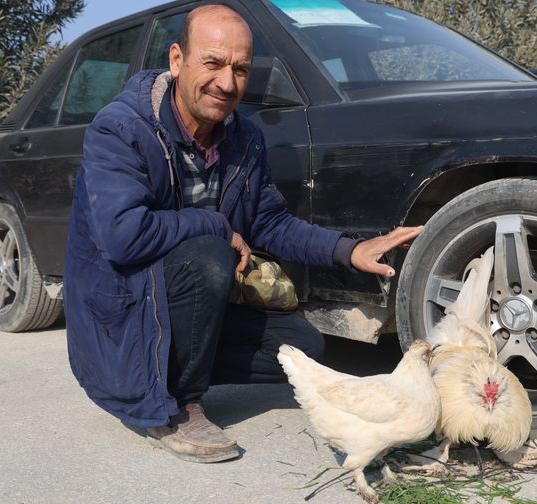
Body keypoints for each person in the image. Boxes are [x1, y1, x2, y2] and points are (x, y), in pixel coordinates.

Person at [63, 4, 421, 463]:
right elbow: (123, 235)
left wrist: (349, 250)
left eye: (240, 69)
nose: (227, 83)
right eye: (212, 63)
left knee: (303, 347)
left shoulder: (242, 138)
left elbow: (270, 222)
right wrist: (214, 224)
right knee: (210, 255)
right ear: (177, 60)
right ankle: (180, 405)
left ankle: (169, 367)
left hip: (184, 305)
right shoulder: (121, 129)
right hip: (127, 313)